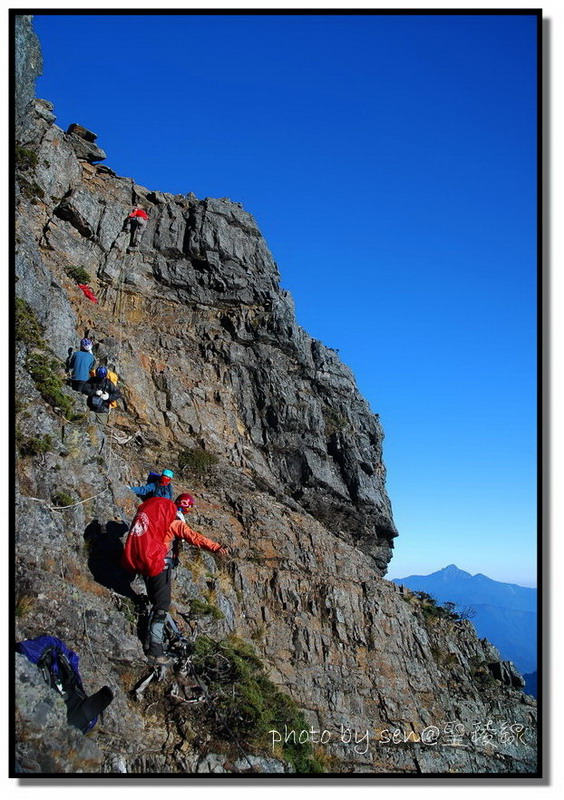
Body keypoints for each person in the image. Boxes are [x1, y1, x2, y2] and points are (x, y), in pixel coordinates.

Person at [121, 494, 228, 665]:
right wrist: (216, 547)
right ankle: (155, 652)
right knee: (161, 606)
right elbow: (194, 537)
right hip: (160, 565)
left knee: (155, 602)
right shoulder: (174, 522)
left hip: (146, 562)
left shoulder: (159, 518)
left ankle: (149, 641)